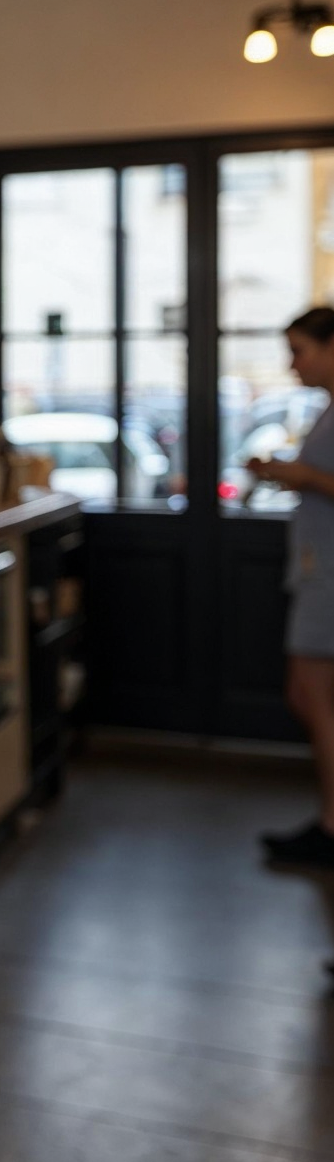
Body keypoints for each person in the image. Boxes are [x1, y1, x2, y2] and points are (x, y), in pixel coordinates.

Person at [256, 306, 334, 869]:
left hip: (329, 576)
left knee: (314, 698)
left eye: (300, 350)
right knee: (306, 695)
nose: (292, 365)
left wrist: (303, 477)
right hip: (316, 568)